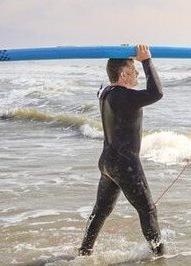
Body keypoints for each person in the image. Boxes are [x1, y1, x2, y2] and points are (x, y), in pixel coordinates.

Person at [79, 45, 165, 256]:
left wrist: (124, 53)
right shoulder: (126, 97)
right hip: (125, 164)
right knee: (148, 210)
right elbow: (157, 92)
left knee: (100, 211)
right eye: (133, 71)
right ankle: (161, 256)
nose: (136, 75)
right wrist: (146, 60)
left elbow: (143, 89)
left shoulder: (106, 93)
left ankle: (84, 252)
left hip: (108, 161)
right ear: (124, 75)